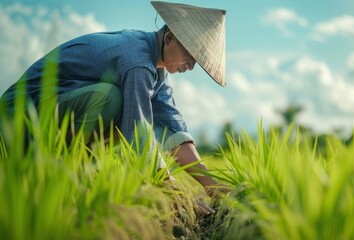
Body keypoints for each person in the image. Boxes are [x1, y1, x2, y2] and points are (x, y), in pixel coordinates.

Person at [0, 1, 228, 214]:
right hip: (17, 118)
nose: (190, 66)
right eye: (189, 56)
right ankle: (58, 169)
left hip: (48, 115)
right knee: (111, 99)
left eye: (196, 62)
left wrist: (213, 185)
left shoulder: (156, 72)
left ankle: (74, 174)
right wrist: (175, 193)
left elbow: (174, 129)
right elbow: (139, 134)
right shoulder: (137, 62)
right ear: (169, 38)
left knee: (120, 105)